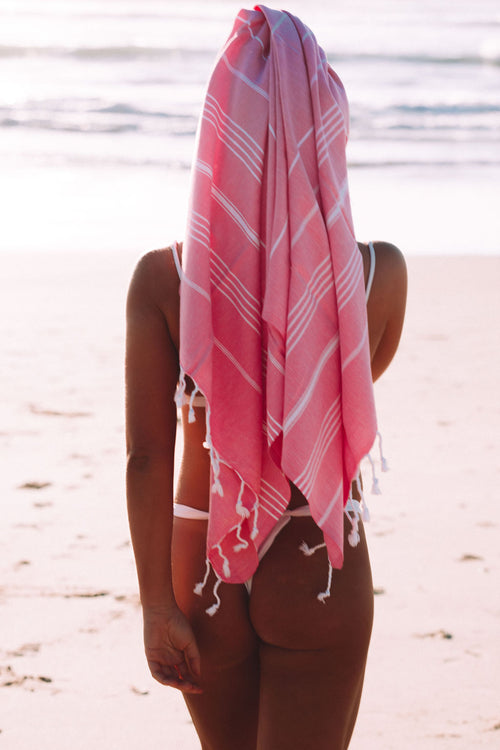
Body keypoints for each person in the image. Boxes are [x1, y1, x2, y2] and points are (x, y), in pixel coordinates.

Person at [126, 7, 407, 750]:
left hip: (202, 559)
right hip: (311, 557)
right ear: (327, 129)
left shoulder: (163, 280)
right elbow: (337, 399)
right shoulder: (378, 276)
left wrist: (157, 605)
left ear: (222, 133)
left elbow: (147, 457)